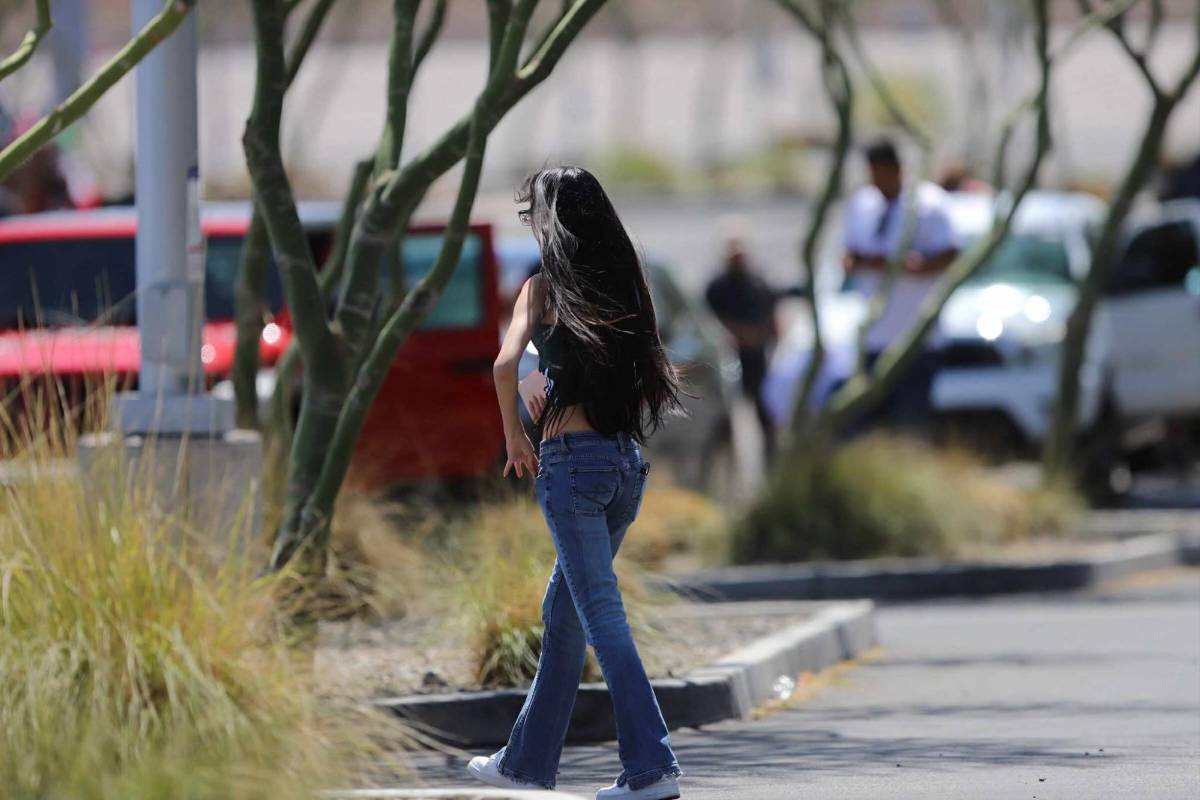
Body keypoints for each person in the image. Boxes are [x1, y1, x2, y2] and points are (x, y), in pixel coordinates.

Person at [475, 166, 685, 800]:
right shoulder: (628, 284)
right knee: (565, 617)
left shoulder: (543, 289)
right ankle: (525, 764)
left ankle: (652, 768)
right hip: (623, 465)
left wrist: (515, 437)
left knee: (600, 617)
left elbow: (504, 363)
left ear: (552, 222)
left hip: (572, 466)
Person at [842, 138, 959, 431]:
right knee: (871, 425)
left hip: (915, 338)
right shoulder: (863, 204)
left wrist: (907, 266)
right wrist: (880, 264)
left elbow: (949, 255)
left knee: (910, 425)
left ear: (897, 169)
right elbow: (849, 255)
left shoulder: (928, 204)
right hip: (875, 337)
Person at [704, 225, 779, 463]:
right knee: (727, 418)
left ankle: (770, 464)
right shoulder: (716, 287)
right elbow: (709, 320)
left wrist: (765, 335)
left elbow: (772, 315)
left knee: (765, 413)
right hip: (727, 361)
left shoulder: (758, 281)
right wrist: (738, 334)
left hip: (757, 359)